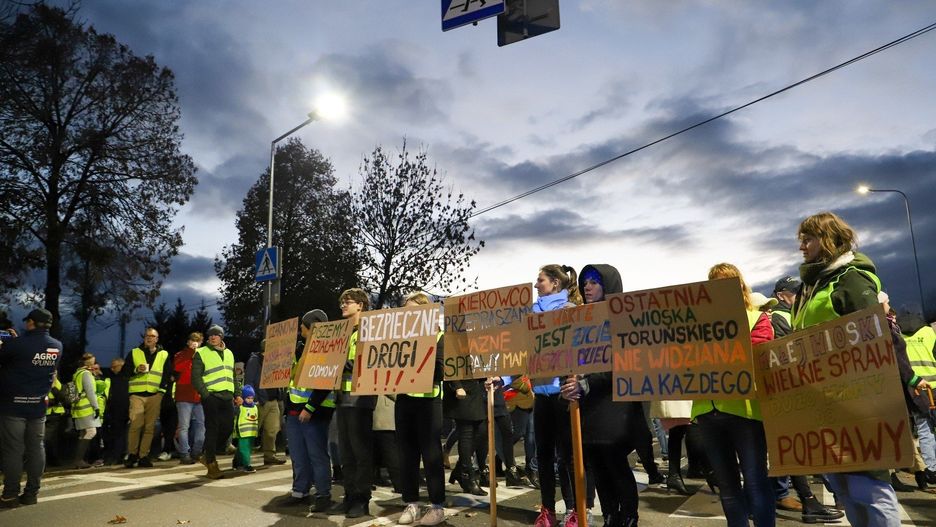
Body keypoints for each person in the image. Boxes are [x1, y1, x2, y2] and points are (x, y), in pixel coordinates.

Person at [790, 211, 906, 526]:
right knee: (842, 485)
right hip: (822, 400)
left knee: (869, 486)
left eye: (808, 239)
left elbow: (876, 341)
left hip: (857, 399)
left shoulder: (850, 279)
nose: (802, 246)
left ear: (828, 240)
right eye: (802, 239)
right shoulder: (808, 287)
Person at [689, 263, 775, 527]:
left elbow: (760, 357)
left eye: (726, 283)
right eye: (714, 284)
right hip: (707, 411)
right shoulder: (695, 323)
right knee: (726, 486)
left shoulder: (756, 318)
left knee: (756, 482)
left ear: (740, 286)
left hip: (744, 412)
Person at [561, 264, 638, 527]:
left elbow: (621, 364)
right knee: (596, 465)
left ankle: (629, 516)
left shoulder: (623, 319)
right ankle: (610, 516)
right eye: (585, 282)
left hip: (615, 407)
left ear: (609, 285)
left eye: (594, 281)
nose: (587, 286)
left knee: (615, 463)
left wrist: (588, 382)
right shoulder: (581, 318)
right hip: (589, 408)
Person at [531, 264, 587, 527]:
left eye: (540, 280)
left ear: (554, 283)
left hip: (564, 395)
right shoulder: (531, 314)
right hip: (540, 396)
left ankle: (574, 510)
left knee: (567, 457)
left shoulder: (571, 311)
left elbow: (588, 351)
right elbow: (522, 353)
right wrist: (503, 378)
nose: (535, 284)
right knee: (542, 456)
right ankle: (547, 510)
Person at [0, 308, 62, 508]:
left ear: (32, 323)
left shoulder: (16, 345)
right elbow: (34, 358)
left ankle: (10, 495)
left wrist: (7, 343)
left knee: (14, 450)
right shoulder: (57, 346)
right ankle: (31, 494)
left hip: (13, 406)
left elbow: (7, 359)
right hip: (37, 406)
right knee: (36, 448)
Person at [395, 292, 447, 526]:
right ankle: (412, 503)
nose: (407, 314)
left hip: (428, 401)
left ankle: (437, 506)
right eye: (404, 310)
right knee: (406, 455)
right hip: (404, 400)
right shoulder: (399, 338)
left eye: (412, 310)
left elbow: (440, 371)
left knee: (432, 455)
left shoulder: (439, 336)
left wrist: (414, 367)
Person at [332, 288, 377, 518]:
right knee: (345, 453)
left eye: (347, 302)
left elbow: (368, 360)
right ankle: (349, 495)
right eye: (342, 303)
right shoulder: (342, 332)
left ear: (360, 305)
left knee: (360, 452)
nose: (343, 306)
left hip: (361, 399)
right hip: (342, 398)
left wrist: (339, 363)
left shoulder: (370, 330)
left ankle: (362, 499)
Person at [285, 309, 335, 512]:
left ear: (311, 327)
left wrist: (310, 407)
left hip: (315, 412)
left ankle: (323, 494)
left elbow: (324, 383)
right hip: (295, 412)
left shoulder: (328, 350)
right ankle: (300, 491)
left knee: (317, 455)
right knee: (298, 455)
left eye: (303, 325)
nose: (299, 329)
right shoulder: (300, 350)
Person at [192, 325, 242, 479]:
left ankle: (207, 454)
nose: (213, 337)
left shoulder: (229, 353)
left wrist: (237, 394)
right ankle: (212, 465)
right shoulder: (201, 352)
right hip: (211, 397)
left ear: (221, 337)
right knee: (212, 429)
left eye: (216, 335)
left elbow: (233, 377)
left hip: (227, 398)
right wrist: (206, 394)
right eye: (210, 335)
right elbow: (195, 377)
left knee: (227, 429)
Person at [896, 308, 936, 488]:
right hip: (934, 386)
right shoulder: (929, 332)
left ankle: (931, 469)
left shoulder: (899, 336)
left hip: (913, 389)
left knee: (923, 428)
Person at [122, 327, 171, 468]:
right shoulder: (134, 353)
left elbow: (167, 374)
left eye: (152, 336)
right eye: (146, 336)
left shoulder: (164, 354)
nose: (149, 338)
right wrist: (137, 369)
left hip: (155, 395)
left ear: (157, 339)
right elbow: (125, 372)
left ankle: (143, 456)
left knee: (150, 427)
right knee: (136, 425)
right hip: (137, 394)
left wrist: (161, 392)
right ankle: (132, 455)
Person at [244, 338, 287, 465]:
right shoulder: (255, 361)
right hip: (260, 401)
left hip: (273, 401)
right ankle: (241, 458)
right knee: (251, 431)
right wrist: (254, 399)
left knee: (272, 430)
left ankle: (269, 455)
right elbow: (249, 380)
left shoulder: (275, 361)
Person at [173, 332, 205, 465]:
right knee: (184, 426)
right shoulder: (180, 355)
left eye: (197, 340)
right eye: (192, 340)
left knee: (201, 425)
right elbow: (178, 367)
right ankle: (184, 453)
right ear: (188, 342)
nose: (195, 342)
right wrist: (191, 353)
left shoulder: (204, 356)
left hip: (198, 395)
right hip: (184, 395)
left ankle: (196, 451)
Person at [71, 352, 102, 469]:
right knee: (91, 432)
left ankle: (79, 460)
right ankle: (78, 459)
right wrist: (96, 407)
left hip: (78, 408)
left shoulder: (77, 373)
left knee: (83, 433)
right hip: (86, 408)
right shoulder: (86, 374)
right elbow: (90, 392)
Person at [102, 358, 129, 465]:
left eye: (115, 366)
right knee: (115, 434)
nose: (112, 368)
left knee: (120, 434)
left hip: (124, 411)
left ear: (122, 366)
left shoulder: (127, 378)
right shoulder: (111, 379)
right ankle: (115, 456)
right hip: (112, 412)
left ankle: (118, 456)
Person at [233, 385, 259, 473]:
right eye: (248, 398)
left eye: (252, 398)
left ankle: (237, 463)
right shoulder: (240, 408)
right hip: (243, 432)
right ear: (243, 398)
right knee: (245, 449)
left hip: (251, 432)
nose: (250, 400)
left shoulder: (255, 407)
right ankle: (246, 465)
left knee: (244, 448)